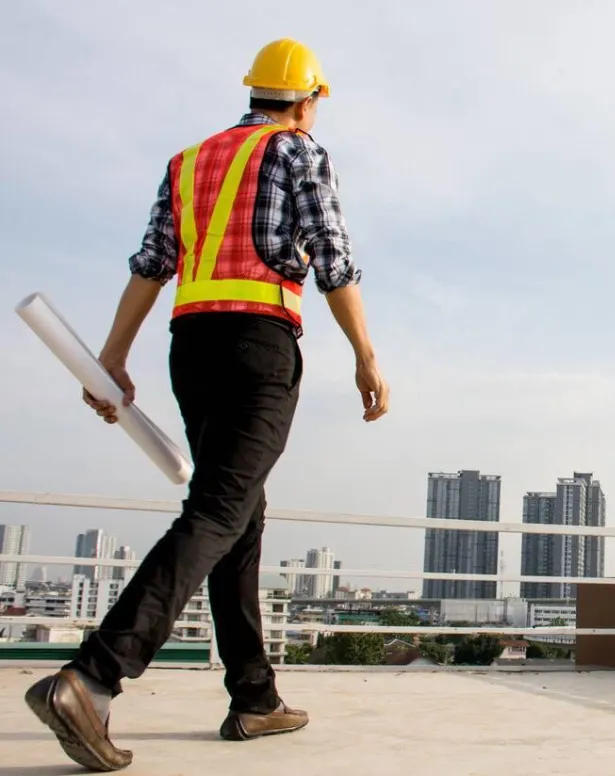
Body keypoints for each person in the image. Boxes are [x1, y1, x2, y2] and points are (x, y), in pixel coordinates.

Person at [24, 38, 389, 772]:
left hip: (189, 346)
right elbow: (334, 258)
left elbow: (151, 266)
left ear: (255, 92)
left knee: (237, 511)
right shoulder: (299, 152)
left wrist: (112, 360)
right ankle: (92, 679)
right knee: (221, 508)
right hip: (259, 345)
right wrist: (366, 356)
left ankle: (254, 698)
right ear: (308, 99)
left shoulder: (188, 162)